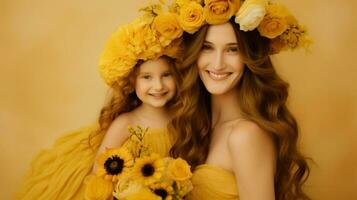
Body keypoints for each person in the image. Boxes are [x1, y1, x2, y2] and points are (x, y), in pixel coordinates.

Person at [16, 11, 184, 199]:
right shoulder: (126, 123)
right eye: (147, 77)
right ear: (131, 82)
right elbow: (100, 170)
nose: (158, 86)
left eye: (166, 75)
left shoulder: (181, 117)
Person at [167, 0, 311, 200]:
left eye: (232, 49)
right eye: (207, 47)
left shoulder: (245, 135)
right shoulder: (195, 124)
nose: (217, 64)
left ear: (250, 58)